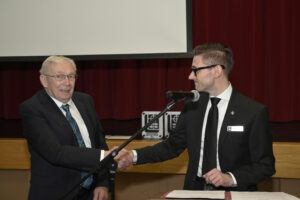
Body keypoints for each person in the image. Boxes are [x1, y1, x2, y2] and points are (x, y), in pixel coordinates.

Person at [119, 43, 276, 191]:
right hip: (195, 190)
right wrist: (133, 156)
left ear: (216, 71)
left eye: (195, 70)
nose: (190, 76)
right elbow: (171, 147)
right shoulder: (193, 106)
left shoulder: (253, 111)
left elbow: (265, 165)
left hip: (235, 193)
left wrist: (230, 178)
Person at [19, 56, 127, 200]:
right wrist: (104, 157)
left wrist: (102, 183)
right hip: (56, 194)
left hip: (90, 193)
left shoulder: (85, 101)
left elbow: (99, 143)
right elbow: (56, 153)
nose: (67, 82)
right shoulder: (32, 109)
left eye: (71, 76)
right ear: (44, 80)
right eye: (60, 76)